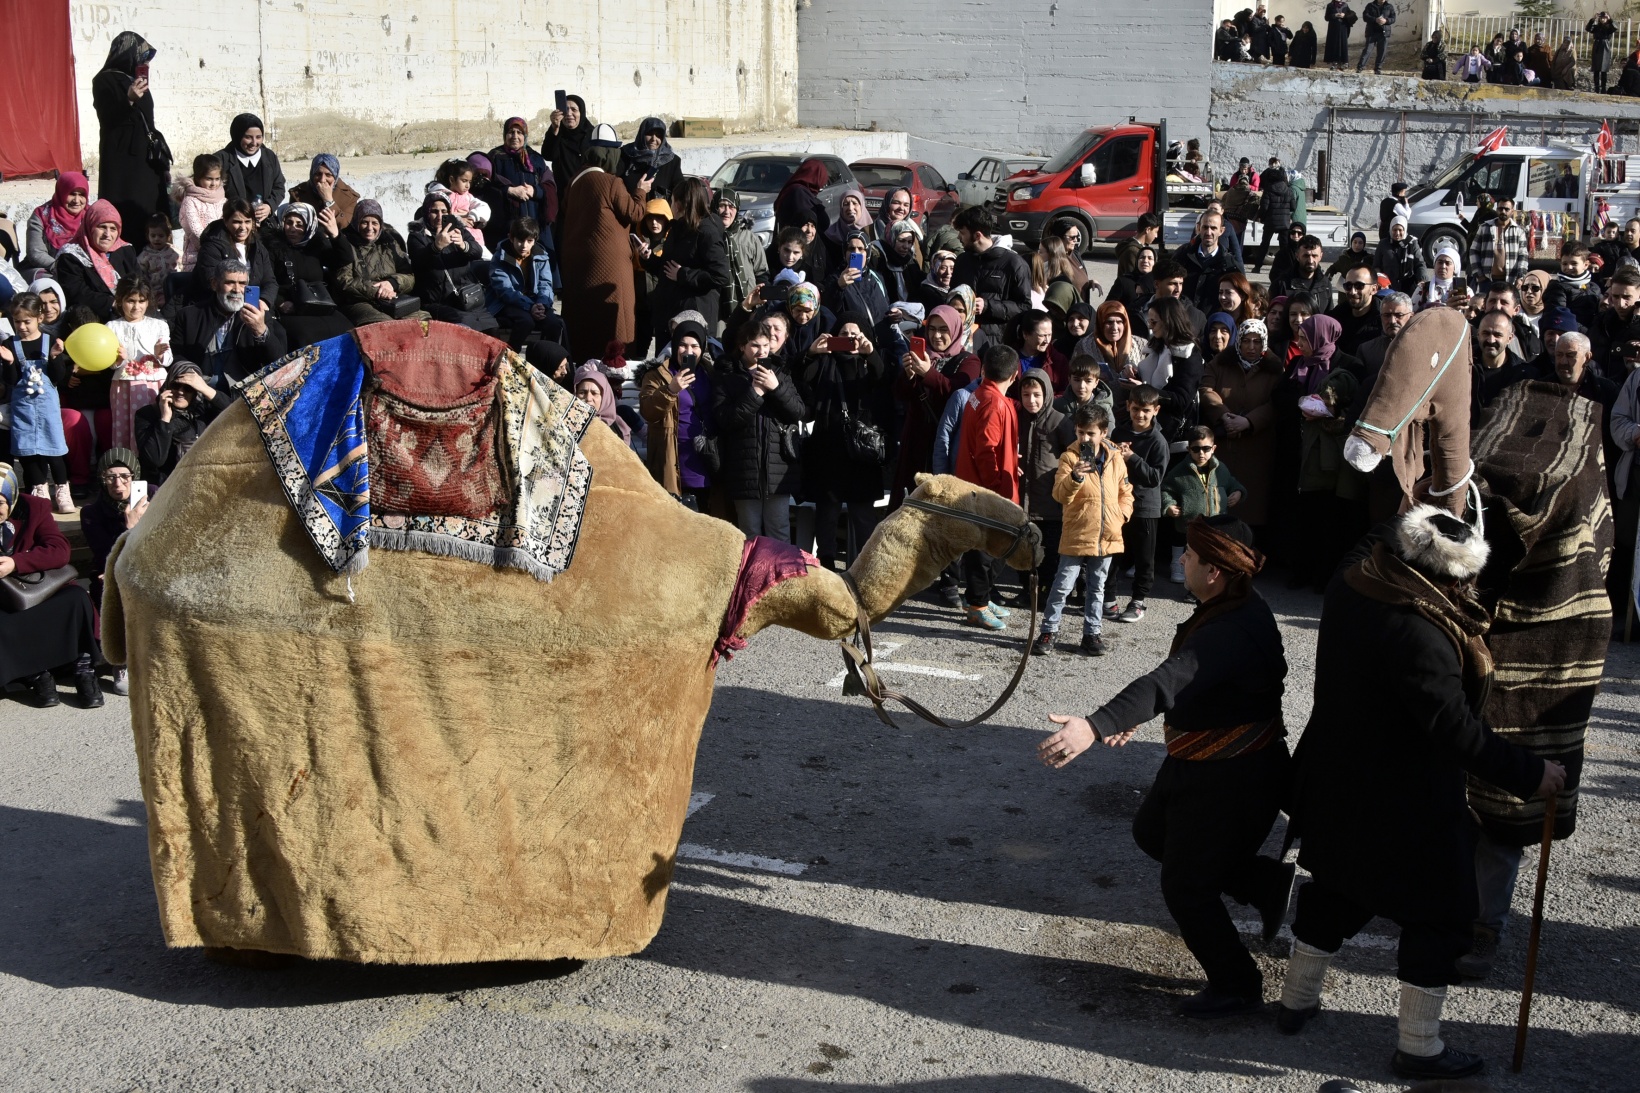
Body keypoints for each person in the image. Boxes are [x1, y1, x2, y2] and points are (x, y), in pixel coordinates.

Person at [1278, 507, 1562, 1080]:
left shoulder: (1355, 580)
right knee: (1442, 916)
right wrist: (1533, 775)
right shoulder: (1423, 634)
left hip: (1335, 779)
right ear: (1452, 577)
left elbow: (1373, 532)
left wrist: (1429, 498)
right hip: (1403, 799)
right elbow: (1456, 731)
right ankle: (1419, 1045)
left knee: (1339, 888)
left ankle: (1295, 1003)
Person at [1041, 514, 1293, 1016]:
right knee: (1153, 832)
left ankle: (1237, 983)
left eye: (1191, 556)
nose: (1182, 560)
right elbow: (1188, 688)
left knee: (1186, 887)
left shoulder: (1234, 627)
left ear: (1216, 571)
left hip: (1235, 774)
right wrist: (1138, 718)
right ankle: (1261, 883)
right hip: (1202, 763)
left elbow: (1167, 680)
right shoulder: (1228, 605)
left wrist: (1093, 725)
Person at [0, 463, 104, 708]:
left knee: (76, 598)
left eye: (0, 502)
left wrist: (15, 563)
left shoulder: (33, 508)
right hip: (5, 600)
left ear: (12, 497)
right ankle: (35, 674)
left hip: (36, 590)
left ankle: (83, 669)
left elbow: (59, 551)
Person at [1034, 401, 1130, 656]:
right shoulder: (1069, 458)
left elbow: (1126, 491)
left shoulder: (1116, 459)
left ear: (1103, 433)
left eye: (1090, 433)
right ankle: (1049, 630)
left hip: (1107, 533)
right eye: (1080, 432)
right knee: (1063, 584)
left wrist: (1122, 515)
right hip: (1077, 531)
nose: (1085, 438)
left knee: (1096, 587)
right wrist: (1075, 477)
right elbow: (1059, 495)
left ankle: (1092, 634)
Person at [798, 312, 888, 570]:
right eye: (844, 334)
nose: (849, 338)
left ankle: (866, 565)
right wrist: (812, 353)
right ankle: (826, 563)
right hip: (829, 447)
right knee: (827, 510)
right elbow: (803, 378)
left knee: (863, 512)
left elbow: (882, 381)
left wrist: (870, 355)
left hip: (861, 450)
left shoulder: (868, 362)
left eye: (854, 334)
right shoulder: (826, 361)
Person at [561, 124, 651, 361]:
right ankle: (617, 367)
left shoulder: (574, 181)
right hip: (610, 266)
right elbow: (634, 213)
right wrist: (641, 191)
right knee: (616, 319)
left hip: (578, 264)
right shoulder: (611, 182)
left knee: (586, 321)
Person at [715, 320, 805, 540]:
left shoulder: (780, 372)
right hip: (744, 467)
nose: (762, 351)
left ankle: (780, 575)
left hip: (777, 466)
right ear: (742, 346)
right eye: (755, 345)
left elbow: (798, 412)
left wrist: (776, 388)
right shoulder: (728, 375)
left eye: (765, 345)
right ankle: (752, 575)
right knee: (750, 532)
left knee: (779, 530)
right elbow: (725, 419)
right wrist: (754, 394)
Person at [954, 344, 1022, 629]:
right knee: (987, 550)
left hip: (977, 486)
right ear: (1016, 374)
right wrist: (996, 485)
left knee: (990, 548)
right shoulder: (994, 403)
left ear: (983, 369)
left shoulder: (978, 395)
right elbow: (986, 451)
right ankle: (977, 605)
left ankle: (979, 598)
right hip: (988, 492)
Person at [1199, 318, 1279, 553]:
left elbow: (1277, 403)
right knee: (1222, 505)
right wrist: (1224, 415)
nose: (1251, 347)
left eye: (1257, 341)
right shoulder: (1221, 362)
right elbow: (1206, 389)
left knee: (1251, 506)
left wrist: (1249, 421)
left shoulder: (1274, 368)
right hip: (1225, 445)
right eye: (1246, 341)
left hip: (1257, 448)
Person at [890, 304, 980, 505]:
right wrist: (909, 375)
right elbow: (900, 394)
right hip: (915, 442)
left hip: (945, 444)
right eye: (932, 329)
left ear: (955, 330)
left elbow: (957, 393)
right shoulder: (923, 356)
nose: (936, 336)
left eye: (943, 329)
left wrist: (927, 373)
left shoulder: (969, 361)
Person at [92, 33, 169, 247]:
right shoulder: (104, 80)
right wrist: (128, 99)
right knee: (125, 213)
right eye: (141, 57)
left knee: (148, 211)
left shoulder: (137, 80)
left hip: (146, 162)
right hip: (122, 163)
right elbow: (107, 118)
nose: (144, 63)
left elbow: (148, 123)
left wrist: (162, 164)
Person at [2, 294, 72, 511]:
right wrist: (10, 363)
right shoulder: (9, 344)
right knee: (27, 451)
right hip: (23, 407)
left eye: (27, 321)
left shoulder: (49, 340)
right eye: (17, 322)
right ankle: (39, 488)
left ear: (39, 318)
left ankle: (62, 488)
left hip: (47, 407)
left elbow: (58, 377)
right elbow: (11, 381)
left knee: (55, 450)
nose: (22, 326)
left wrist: (55, 358)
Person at [640, 178, 731, 345]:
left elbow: (721, 275)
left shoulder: (707, 232)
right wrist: (649, 259)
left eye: (672, 201)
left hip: (694, 316)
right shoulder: (677, 228)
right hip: (669, 314)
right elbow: (668, 267)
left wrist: (684, 274)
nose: (671, 205)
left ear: (680, 205)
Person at [170, 260, 286, 389]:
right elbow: (176, 356)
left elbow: (279, 362)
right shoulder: (189, 316)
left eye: (242, 284)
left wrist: (260, 330)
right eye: (229, 283)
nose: (237, 290)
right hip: (199, 392)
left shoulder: (259, 316)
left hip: (244, 392)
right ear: (214, 284)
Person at [1106, 383, 1167, 623]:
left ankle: (1138, 601)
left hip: (1145, 507)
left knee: (1144, 557)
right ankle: (1108, 600)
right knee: (1113, 553)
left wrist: (1132, 457)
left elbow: (1154, 477)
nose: (1140, 415)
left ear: (1156, 410)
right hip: (1119, 504)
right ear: (1128, 407)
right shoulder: (1119, 433)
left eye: (1145, 410)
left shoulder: (1158, 441)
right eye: (1135, 409)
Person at [638, 318, 715, 509]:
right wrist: (670, 390)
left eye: (694, 346)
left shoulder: (711, 373)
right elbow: (648, 411)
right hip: (673, 460)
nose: (688, 351)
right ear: (674, 345)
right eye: (682, 345)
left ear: (702, 348)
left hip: (706, 459)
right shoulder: (657, 375)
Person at [264, 202, 353, 349]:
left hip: (318, 305)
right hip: (290, 307)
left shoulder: (317, 246)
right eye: (289, 223)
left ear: (309, 225)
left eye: (300, 224)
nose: (293, 228)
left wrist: (335, 235)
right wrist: (280, 302)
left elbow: (344, 259)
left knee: (347, 331)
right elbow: (266, 279)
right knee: (305, 337)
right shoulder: (272, 248)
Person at [1162, 427, 1245, 582]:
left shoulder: (1220, 469)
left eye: (1206, 449)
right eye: (1196, 449)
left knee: (1211, 559)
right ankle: (1191, 585)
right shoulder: (1179, 471)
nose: (1201, 453)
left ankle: (1209, 586)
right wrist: (1168, 506)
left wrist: (1238, 492)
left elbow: (1233, 483)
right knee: (1194, 558)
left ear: (1213, 448)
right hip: (1191, 526)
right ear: (1188, 449)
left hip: (1215, 524)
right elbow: (1165, 490)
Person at [79, 447, 147, 630]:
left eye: (125, 476)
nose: (118, 483)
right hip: (113, 570)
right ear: (103, 480)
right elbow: (104, 554)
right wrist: (129, 529)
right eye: (110, 477)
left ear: (135, 475)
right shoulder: (91, 513)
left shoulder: (154, 498)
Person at [408, 193, 496, 333]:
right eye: (434, 211)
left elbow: (477, 251)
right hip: (438, 300)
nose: (439, 216)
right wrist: (436, 246)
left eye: (444, 211)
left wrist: (463, 245)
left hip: (466, 297)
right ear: (426, 212)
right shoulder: (417, 236)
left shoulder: (458, 230)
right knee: (465, 329)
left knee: (492, 330)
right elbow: (419, 261)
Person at [333, 199, 425, 327]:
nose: (370, 228)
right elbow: (344, 281)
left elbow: (409, 276)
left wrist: (392, 283)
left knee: (422, 323)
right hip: (360, 302)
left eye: (375, 223)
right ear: (356, 221)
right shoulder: (346, 244)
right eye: (364, 222)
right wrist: (378, 290)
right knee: (386, 328)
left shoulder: (389, 242)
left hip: (393, 299)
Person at [106, 276, 171, 452]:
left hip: (154, 384)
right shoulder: (112, 327)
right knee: (125, 428)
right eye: (130, 301)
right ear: (120, 301)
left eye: (141, 301)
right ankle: (127, 468)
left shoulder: (159, 325)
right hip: (124, 385)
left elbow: (168, 359)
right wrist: (119, 361)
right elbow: (109, 362)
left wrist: (159, 354)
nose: (136, 307)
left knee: (153, 425)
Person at [952, 206, 1031, 345]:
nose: (959, 237)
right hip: (962, 338)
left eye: (962, 233)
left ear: (977, 235)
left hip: (996, 343)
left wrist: (988, 306)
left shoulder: (1014, 263)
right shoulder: (962, 260)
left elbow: (1024, 306)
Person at [53, 200, 141, 321]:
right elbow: (77, 292)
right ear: (90, 226)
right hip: (94, 316)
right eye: (102, 227)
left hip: (131, 311)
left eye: (113, 229)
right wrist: (113, 304)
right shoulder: (71, 256)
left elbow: (139, 282)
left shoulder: (125, 250)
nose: (107, 234)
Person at [487, 216, 566, 348]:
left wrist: (542, 304)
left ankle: (542, 360)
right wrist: (530, 306)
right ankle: (510, 357)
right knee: (525, 322)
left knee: (553, 324)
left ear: (535, 240)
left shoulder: (541, 256)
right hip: (507, 303)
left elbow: (545, 284)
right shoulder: (500, 257)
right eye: (520, 240)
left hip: (535, 302)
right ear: (511, 238)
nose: (524, 246)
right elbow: (504, 290)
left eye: (529, 241)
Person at [486, 119, 557, 252]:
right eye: (511, 132)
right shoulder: (495, 158)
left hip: (536, 222)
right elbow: (486, 185)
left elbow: (549, 184)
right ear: (505, 135)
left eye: (519, 132)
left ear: (525, 135)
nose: (515, 136)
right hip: (508, 223)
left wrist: (535, 191)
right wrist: (509, 190)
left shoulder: (535, 158)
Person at [216, 113, 284, 226]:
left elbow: (279, 187)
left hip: (264, 224)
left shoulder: (269, 157)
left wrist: (269, 206)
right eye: (248, 137)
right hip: (234, 226)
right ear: (237, 136)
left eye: (258, 137)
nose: (254, 143)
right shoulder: (221, 160)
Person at [1175, 212, 1242, 318]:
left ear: (1221, 231)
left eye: (1213, 228)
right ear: (1198, 228)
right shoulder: (1183, 255)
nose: (1208, 232)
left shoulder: (1230, 265)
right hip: (1183, 320)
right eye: (1205, 227)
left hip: (1214, 325)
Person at [541, 94, 594, 225]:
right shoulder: (557, 132)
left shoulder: (592, 134)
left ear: (581, 112)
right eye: (565, 110)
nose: (569, 114)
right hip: (564, 196)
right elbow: (548, 154)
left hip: (588, 195)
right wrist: (554, 129)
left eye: (574, 110)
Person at [717, 189, 769, 318]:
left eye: (731, 206)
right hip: (718, 307)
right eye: (722, 205)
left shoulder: (749, 238)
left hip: (749, 305)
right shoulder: (709, 235)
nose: (727, 211)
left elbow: (762, 272)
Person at [25, 174, 90, 274]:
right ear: (61, 193)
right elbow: (36, 254)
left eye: (81, 195)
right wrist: (63, 269)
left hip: (84, 271)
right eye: (72, 194)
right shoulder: (41, 215)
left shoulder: (91, 215)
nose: (77, 200)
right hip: (47, 269)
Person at [176, 154, 226, 274]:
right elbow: (195, 229)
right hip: (197, 255)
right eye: (209, 179)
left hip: (222, 252)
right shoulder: (191, 200)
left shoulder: (222, 198)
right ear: (198, 178)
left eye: (217, 179)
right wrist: (213, 244)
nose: (214, 183)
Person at [288, 154, 360, 233]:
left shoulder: (349, 197)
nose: (322, 180)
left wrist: (328, 200)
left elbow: (343, 224)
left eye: (328, 175)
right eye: (318, 174)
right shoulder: (298, 194)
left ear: (335, 176)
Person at [426, 158, 492, 240]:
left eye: (470, 182)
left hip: (471, 237)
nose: (468, 186)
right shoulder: (440, 196)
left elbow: (484, 208)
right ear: (452, 180)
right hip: (450, 237)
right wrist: (459, 219)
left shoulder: (467, 196)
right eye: (464, 181)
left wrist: (471, 217)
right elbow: (439, 216)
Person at [1329, 268, 1384, 355]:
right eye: (1348, 286)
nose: (1353, 291)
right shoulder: (1335, 318)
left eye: (1359, 286)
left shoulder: (1385, 320)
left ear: (1374, 289)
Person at [774, 158, 831, 238]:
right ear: (816, 176)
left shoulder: (800, 191)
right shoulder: (798, 193)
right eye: (822, 178)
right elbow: (806, 221)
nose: (823, 184)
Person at [1375, 216, 1426, 293]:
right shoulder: (1383, 244)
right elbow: (1376, 265)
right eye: (1395, 230)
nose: (1397, 233)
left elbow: (1420, 264)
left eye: (1400, 230)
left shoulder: (1412, 243)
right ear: (1390, 230)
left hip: (1408, 287)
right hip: (1387, 287)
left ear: (1404, 230)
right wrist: (1378, 280)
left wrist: (1422, 280)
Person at [1356, 0, 1395, 74]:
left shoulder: (1389, 6)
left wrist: (1386, 21)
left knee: (1382, 51)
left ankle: (1378, 68)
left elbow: (1393, 18)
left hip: (1384, 32)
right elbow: (1365, 16)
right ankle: (1360, 67)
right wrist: (1375, 20)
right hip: (1372, 32)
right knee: (1367, 50)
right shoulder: (1370, 5)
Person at [1589, 11, 1619, 94]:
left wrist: (1610, 19)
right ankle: (1596, 87)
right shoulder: (1596, 26)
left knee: (1604, 69)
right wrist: (1593, 19)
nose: (1603, 20)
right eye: (1601, 18)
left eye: (1604, 18)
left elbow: (1615, 28)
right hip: (1597, 46)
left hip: (1605, 47)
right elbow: (1588, 28)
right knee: (1596, 69)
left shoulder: (1609, 27)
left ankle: (1603, 88)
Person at [1323, 1, 1356, 70]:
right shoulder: (1330, 5)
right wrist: (1335, 15)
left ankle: (1344, 62)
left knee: (1343, 44)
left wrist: (1344, 15)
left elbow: (1350, 14)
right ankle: (1334, 62)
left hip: (1343, 27)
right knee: (1334, 44)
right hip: (1333, 28)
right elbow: (1326, 17)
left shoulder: (1345, 5)